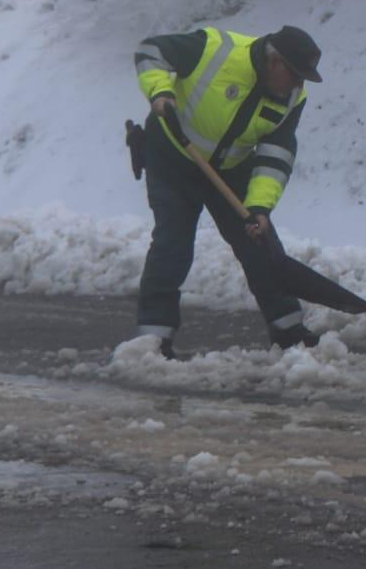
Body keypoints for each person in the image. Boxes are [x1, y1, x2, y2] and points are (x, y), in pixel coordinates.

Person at [130, 24, 324, 357]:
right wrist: (160, 92)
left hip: (230, 169)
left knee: (259, 242)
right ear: (274, 61)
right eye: (294, 75)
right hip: (172, 158)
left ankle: (288, 328)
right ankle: (154, 338)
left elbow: (275, 156)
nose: (298, 84)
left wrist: (259, 208)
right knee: (172, 245)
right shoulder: (215, 49)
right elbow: (150, 50)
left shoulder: (293, 97)